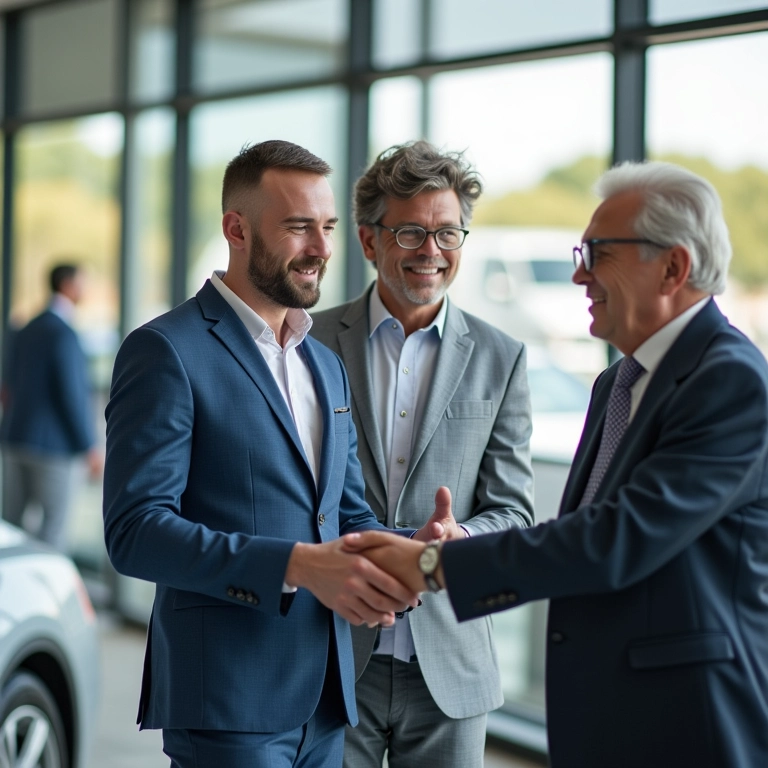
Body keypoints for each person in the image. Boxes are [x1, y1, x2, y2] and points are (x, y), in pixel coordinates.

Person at [344, 160, 768, 768]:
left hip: (688, 718)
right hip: (612, 711)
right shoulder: (616, 382)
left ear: (673, 266)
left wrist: (435, 563)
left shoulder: (729, 380)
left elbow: (614, 540)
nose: (578, 274)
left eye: (598, 253)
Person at [102, 140, 457, 768]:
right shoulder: (165, 350)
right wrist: (295, 565)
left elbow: (346, 520)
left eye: (326, 226)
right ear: (236, 230)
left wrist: (410, 551)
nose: (321, 248)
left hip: (324, 696)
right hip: (227, 699)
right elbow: (136, 533)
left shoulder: (323, 363)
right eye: (298, 227)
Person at [310, 140, 534, 768]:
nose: (430, 252)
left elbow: (515, 512)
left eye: (448, 233)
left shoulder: (502, 357)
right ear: (368, 240)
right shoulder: (309, 343)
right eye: (409, 232)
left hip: (451, 664)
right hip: (329, 654)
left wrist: (459, 537)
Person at [1, 263, 101, 550]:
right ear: (68, 285)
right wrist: (88, 446)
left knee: (12, 526)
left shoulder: (25, 328)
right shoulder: (64, 333)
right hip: (54, 448)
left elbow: (7, 386)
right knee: (54, 530)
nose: (85, 289)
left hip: (15, 438)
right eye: (82, 283)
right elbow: (72, 395)